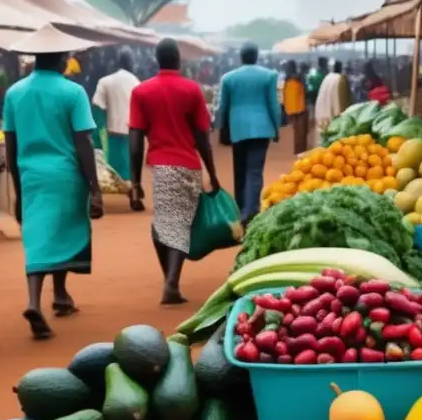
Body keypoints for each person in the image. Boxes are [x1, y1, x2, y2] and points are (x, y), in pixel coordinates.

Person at [3, 51, 103, 340]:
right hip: (66, 174)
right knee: (62, 233)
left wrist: (17, 186)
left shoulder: (14, 93)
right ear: (62, 61)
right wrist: (94, 187)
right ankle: (46, 298)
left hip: (30, 175)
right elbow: (83, 140)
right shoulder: (73, 92)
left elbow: (10, 143)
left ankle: (50, 297)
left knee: (38, 236)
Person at [129, 39, 220, 304]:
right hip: (187, 163)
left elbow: (135, 139)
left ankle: (170, 279)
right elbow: (202, 137)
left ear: (156, 60)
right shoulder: (192, 90)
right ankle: (171, 282)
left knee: (164, 224)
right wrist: (211, 173)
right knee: (180, 223)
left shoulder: (142, 92)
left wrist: (135, 180)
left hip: (160, 166)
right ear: (178, 59)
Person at [217, 41, 279, 224]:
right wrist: (276, 127)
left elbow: (223, 107)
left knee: (240, 169)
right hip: (262, 128)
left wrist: (221, 127)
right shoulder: (269, 76)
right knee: (254, 171)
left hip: (238, 129)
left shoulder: (228, 78)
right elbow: (273, 105)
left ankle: (240, 208)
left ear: (241, 57)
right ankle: (250, 210)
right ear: (256, 56)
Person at [92, 51, 141, 188]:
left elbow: (97, 106)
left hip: (111, 133)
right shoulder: (137, 83)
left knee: (110, 169)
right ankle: (132, 187)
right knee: (129, 167)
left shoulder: (105, 81)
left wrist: (96, 135)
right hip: (132, 133)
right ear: (132, 63)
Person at [282, 60, 308, 155]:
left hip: (291, 108)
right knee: (301, 132)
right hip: (300, 108)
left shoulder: (287, 79)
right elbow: (305, 90)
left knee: (297, 131)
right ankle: (300, 151)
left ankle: (298, 150)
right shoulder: (299, 78)